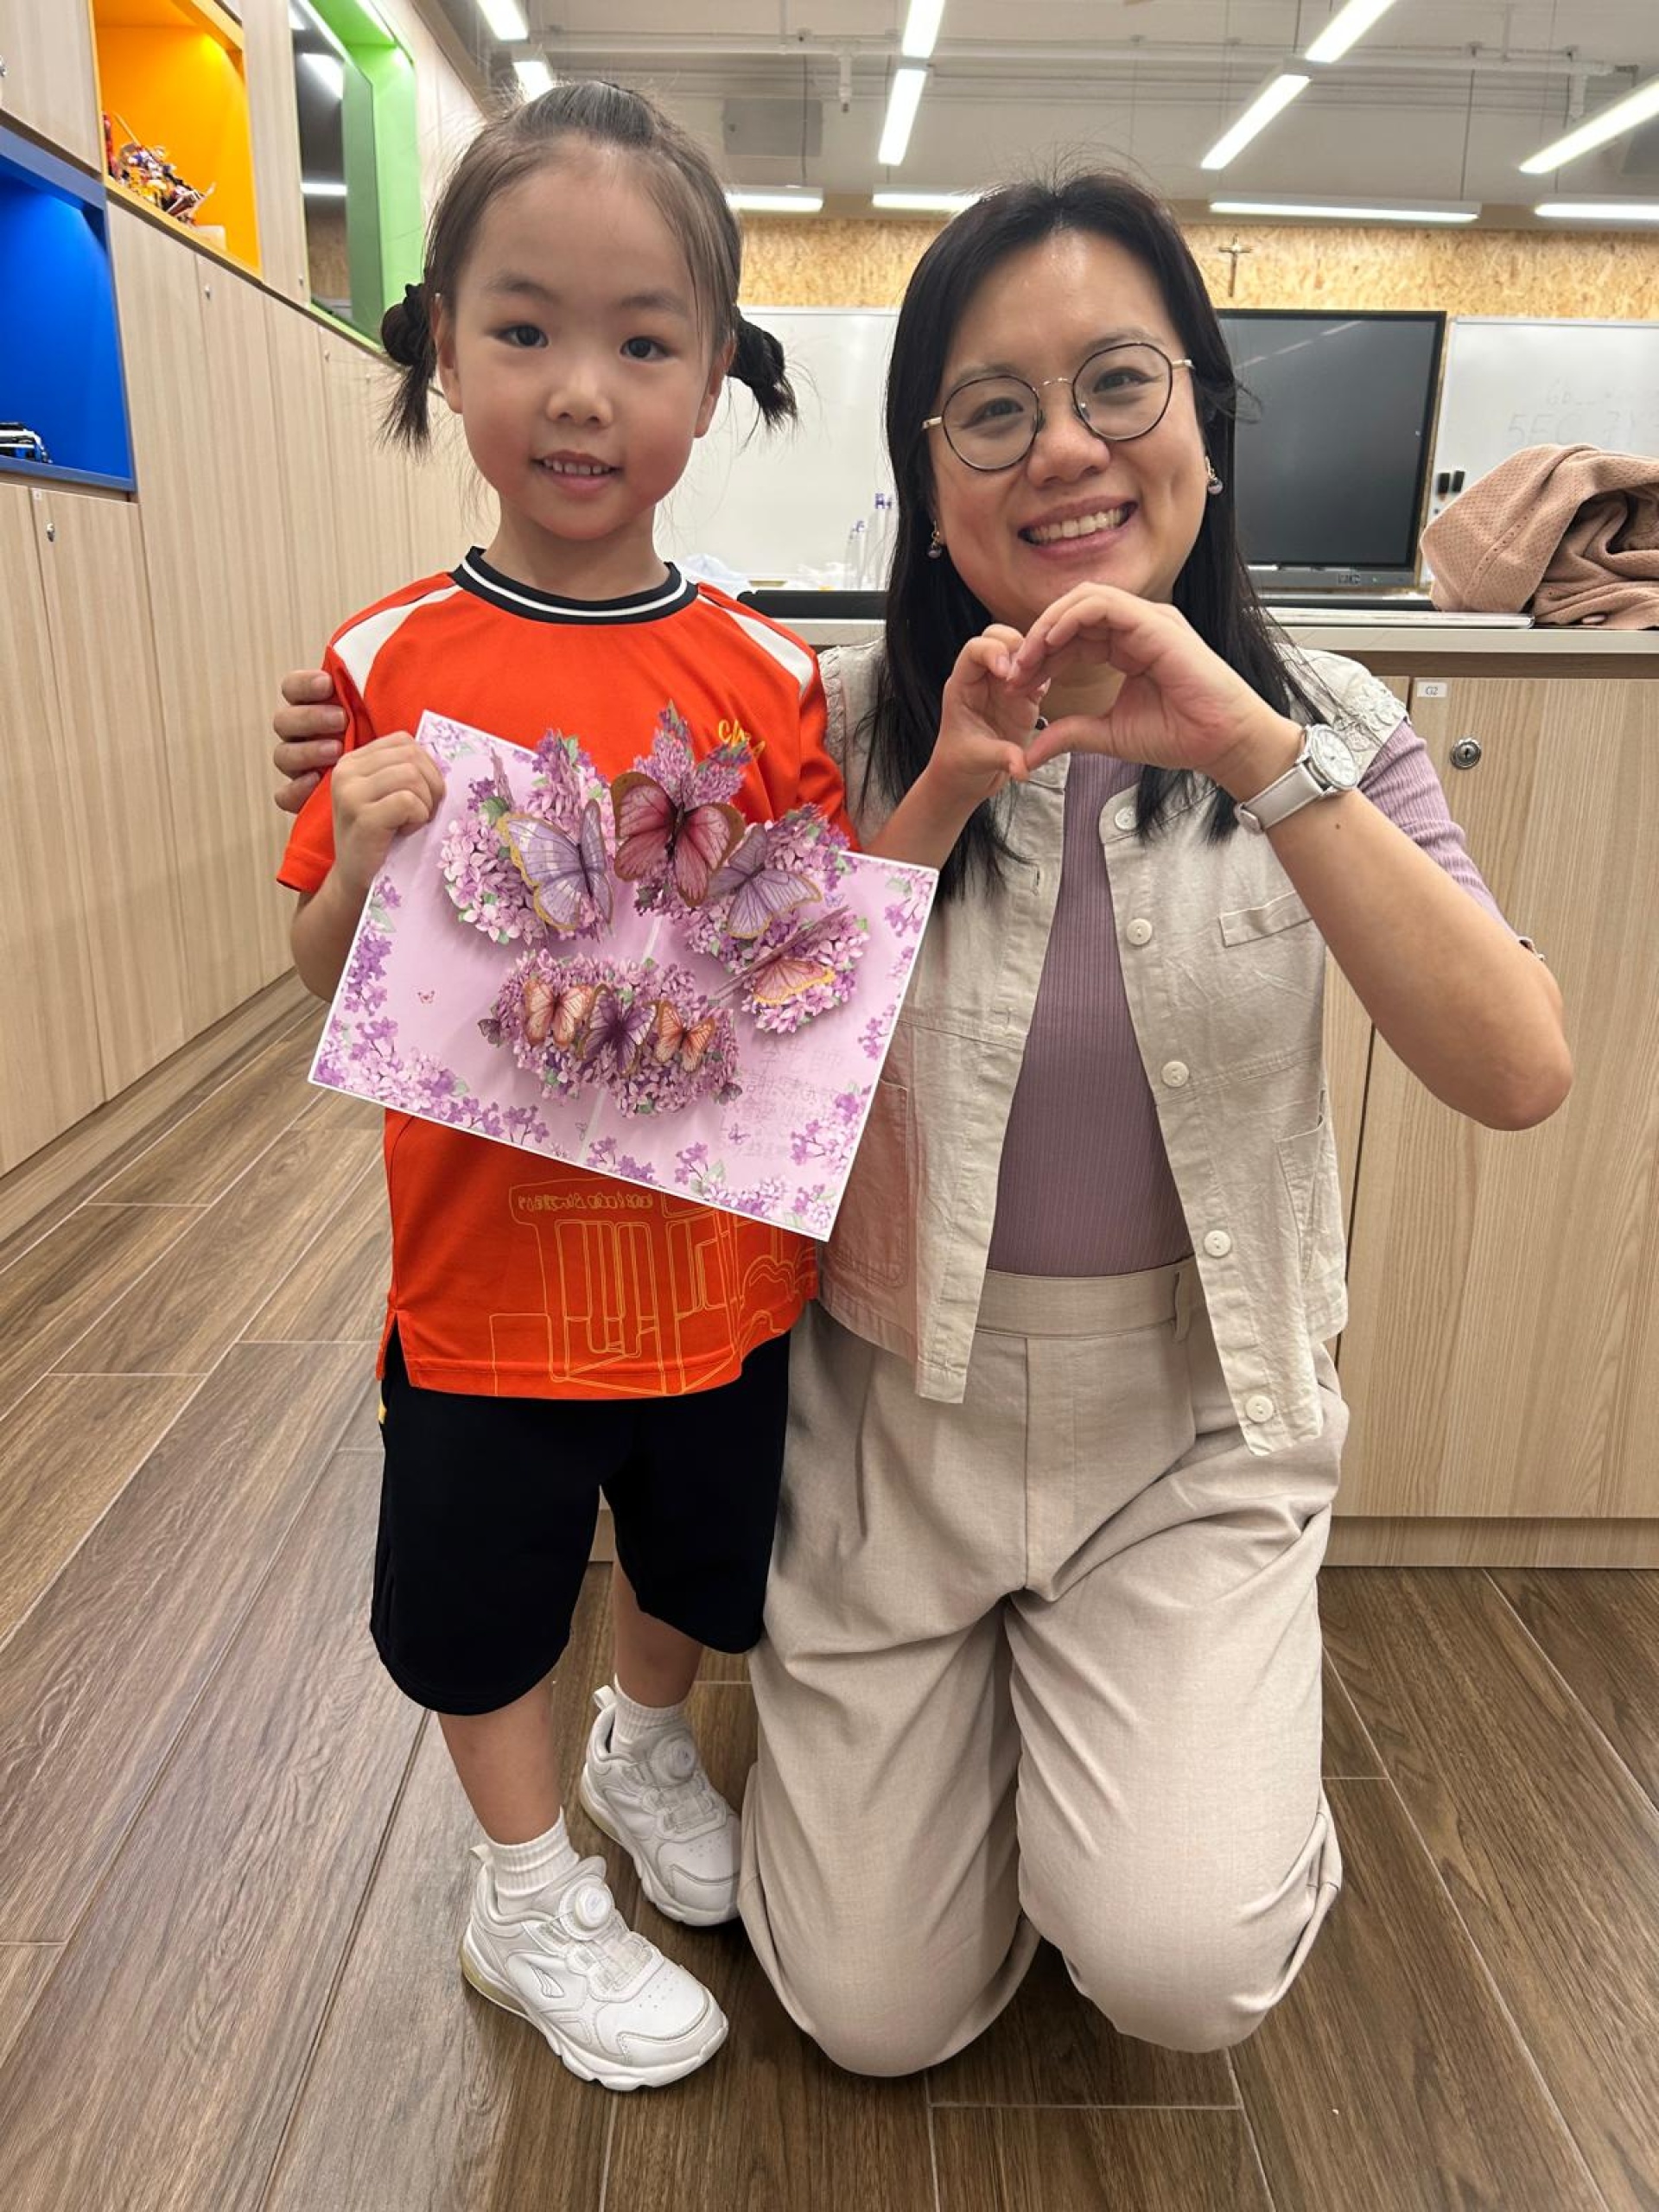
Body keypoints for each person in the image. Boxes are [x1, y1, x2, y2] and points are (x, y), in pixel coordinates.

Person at [274, 170, 1572, 2075]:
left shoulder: (1332, 723)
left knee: (1179, 1954)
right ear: (928, 474)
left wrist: (1251, 749)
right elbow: (662, 926)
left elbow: (1520, 1068)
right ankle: (956, 1746)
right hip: (895, 1410)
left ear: (1207, 412)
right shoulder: (830, 718)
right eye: (992, 410)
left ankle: (1141, 1755)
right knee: (870, 2013)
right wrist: (381, 764)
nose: (1065, 449)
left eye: (1119, 384)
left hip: (1184, 1423)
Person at [276, 80, 860, 2093]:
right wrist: (358, 862)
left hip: (710, 1267)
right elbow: (321, 980)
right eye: (524, 328)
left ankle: (645, 1742)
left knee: (695, 1557)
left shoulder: (769, 677)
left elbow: (804, 969)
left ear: (714, 377)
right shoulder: (384, 656)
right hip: (483, 1282)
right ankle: (523, 1888)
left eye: (643, 340)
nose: (582, 391)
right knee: (476, 1600)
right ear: (444, 345)